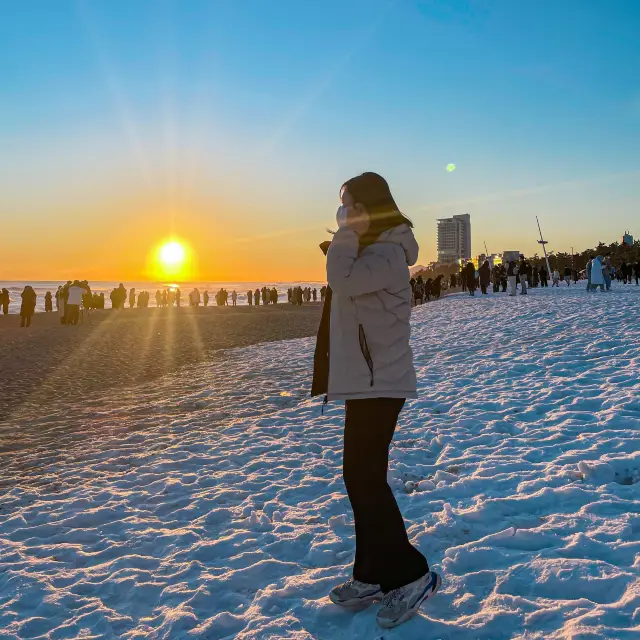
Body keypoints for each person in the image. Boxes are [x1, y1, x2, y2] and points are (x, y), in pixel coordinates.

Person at [312, 172, 440, 628]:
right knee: (359, 479)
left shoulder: (387, 253)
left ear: (371, 207)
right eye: (341, 207)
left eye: (351, 207)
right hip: (365, 382)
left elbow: (342, 284)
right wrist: (348, 238)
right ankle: (370, 573)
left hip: (380, 383)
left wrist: (345, 237)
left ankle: (412, 573)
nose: (344, 215)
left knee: (366, 481)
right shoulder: (371, 251)